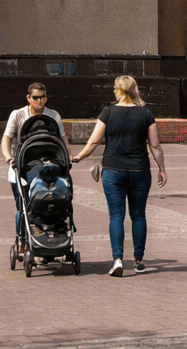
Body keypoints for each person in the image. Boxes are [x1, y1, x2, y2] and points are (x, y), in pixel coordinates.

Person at [71, 75, 167, 277]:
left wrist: (79, 157)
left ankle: (117, 260)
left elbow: (94, 141)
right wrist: (162, 169)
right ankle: (139, 260)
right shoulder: (146, 114)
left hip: (113, 172)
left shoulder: (108, 113)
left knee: (116, 216)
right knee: (138, 215)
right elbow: (155, 144)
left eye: (115, 88)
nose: (114, 91)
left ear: (120, 90)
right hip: (139, 172)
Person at [1, 84, 69, 255]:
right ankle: (23, 237)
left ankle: (50, 233)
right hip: (22, 167)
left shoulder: (53, 115)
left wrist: (67, 157)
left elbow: (62, 138)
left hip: (50, 166)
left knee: (54, 199)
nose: (40, 101)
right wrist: (8, 156)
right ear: (29, 98)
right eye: (37, 97)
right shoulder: (18, 115)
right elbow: (7, 138)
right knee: (23, 205)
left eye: (44, 97)